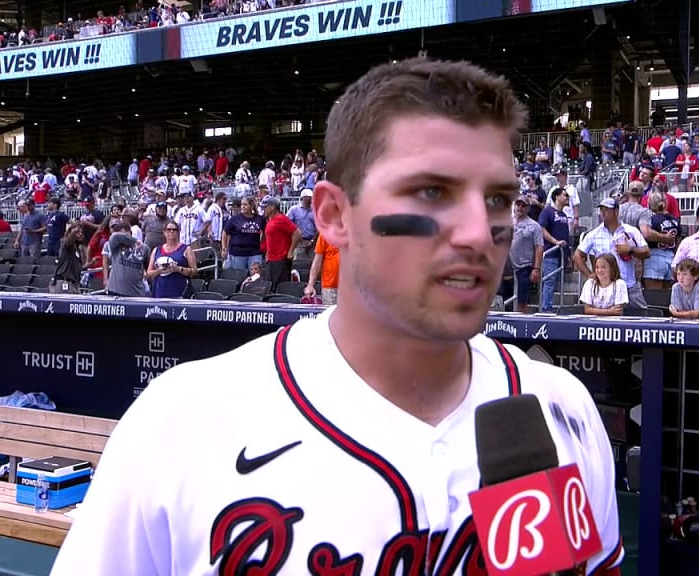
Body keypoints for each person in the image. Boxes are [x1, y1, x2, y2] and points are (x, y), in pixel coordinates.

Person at [51, 58, 623, 576]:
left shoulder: (559, 407)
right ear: (333, 215)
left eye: (498, 199)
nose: (478, 233)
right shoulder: (179, 421)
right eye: (430, 192)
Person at [146, 220, 198, 299]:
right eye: (169, 229)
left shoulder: (186, 249)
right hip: (160, 291)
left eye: (174, 229)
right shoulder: (157, 250)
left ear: (178, 232)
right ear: (164, 232)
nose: (171, 231)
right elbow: (149, 273)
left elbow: (194, 271)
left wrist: (178, 269)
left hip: (178, 290)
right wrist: (158, 271)